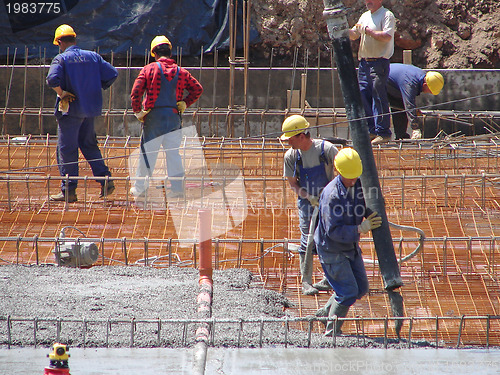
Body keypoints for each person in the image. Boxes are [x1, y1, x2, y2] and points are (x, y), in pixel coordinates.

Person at [314, 147, 382, 336]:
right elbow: (333, 231)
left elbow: (358, 205)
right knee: (347, 292)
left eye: (355, 176)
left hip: (350, 246)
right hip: (332, 249)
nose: (353, 180)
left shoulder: (356, 182)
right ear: (338, 171)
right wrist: (360, 228)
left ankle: (325, 314)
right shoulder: (331, 196)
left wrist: (368, 213)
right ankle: (332, 332)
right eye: (349, 177)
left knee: (360, 288)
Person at [46, 24, 118, 203]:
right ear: (75, 39)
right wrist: (93, 87)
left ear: (60, 42)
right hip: (89, 110)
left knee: (67, 149)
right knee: (89, 145)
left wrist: (62, 93)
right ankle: (105, 180)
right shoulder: (93, 56)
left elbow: (52, 79)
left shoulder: (61, 59)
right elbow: (112, 74)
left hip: (70, 112)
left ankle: (68, 191)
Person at [130, 35, 203, 199]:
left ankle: (140, 188)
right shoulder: (181, 72)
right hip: (172, 117)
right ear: (170, 52)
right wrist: (185, 102)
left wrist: (138, 112)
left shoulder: (149, 69)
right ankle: (177, 189)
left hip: (153, 117)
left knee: (148, 153)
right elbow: (197, 89)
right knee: (173, 154)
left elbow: (135, 93)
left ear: (153, 53)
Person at [281, 115, 338, 295]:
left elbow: (344, 174)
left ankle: (330, 279)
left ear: (301, 136)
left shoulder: (326, 149)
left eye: (290, 138)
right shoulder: (291, 156)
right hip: (307, 203)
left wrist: (328, 193)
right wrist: (309, 197)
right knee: (307, 241)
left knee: (330, 239)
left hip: (329, 201)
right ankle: (306, 282)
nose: (288, 142)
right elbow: (293, 184)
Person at [349, 0, 396, 145]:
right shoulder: (364, 16)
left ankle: (383, 133)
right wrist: (342, 29)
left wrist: (368, 31)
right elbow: (353, 35)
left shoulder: (387, 15)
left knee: (378, 95)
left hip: (379, 62)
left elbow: (387, 36)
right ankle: (371, 130)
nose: (367, 1)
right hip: (364, 63)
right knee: (363, 94)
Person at [387, 63, 445, 140]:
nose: (427, 93)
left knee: (400, 106)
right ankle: (381, 134)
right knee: (381, 107)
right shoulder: (411, 83)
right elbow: (409, 105)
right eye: (429, 91)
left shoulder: (420, 76)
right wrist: (415, 128)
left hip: (392, 86)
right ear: (425, 85)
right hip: (376, 81)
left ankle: (401, 136)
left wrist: (415, 109)